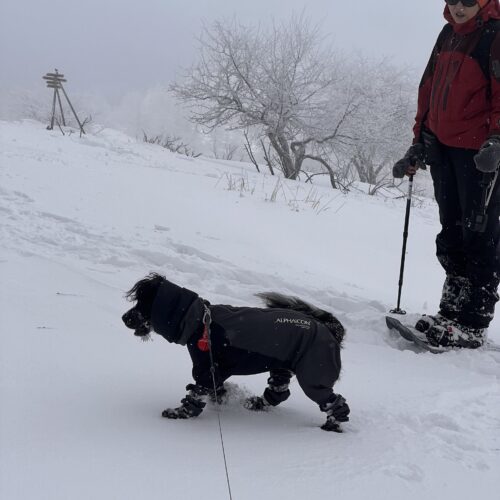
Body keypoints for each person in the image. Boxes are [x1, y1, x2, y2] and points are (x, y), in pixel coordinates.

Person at [393, 0, 500, 348]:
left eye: (468, 1)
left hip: (480, 155)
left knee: (479, 235)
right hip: (442, 149)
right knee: (451, 231)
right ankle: (451, 311)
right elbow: (428, 89)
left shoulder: (495, 35)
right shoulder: (447, 34)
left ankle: (472, 323)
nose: (458, 7)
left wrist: (497, 141)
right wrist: (419, 142)